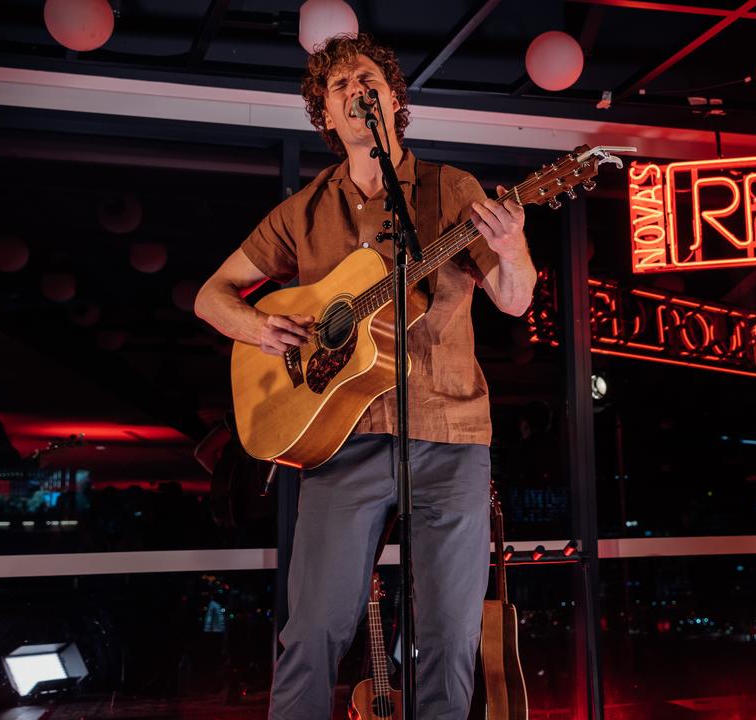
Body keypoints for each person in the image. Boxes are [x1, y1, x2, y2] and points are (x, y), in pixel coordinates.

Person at [193, 33, 537, 720]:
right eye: (340, 82)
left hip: (451, 430)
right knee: (314, 628)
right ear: (325, 114)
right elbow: (212, 296)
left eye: (369, 77)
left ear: (393, 98)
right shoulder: (305, 210)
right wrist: (260, 327)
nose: (357, 87)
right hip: (340, 438)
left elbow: (515, 297)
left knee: (448, 635)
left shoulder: (449, 189)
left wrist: (511, 244)